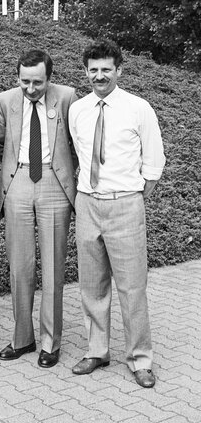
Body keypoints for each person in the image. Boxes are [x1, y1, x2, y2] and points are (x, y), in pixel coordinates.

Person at [69, 39, 165, 388]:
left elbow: (153, 164)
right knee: (91, 286)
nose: (99, 75)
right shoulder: (77, 110)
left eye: (106, 69)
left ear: (119, 70)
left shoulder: (139, 108)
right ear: (86, 72)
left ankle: (140, 359)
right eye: (93, 70)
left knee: (132, 287)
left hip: (125, 204)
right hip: (87, 203)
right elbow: (77, 154)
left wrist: (132, 198)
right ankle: (97, 351)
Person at [0, 50, 77, 368]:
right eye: (24, 81)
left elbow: (77, 141)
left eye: (37, 82)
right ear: (18, 78)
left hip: (54, 182)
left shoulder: (67, 98)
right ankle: (22, 338)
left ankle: (50, 342)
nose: (30, 88)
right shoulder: (5, 101)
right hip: (18, 183)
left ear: (49, 78)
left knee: (53, 266)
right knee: (20, 265)